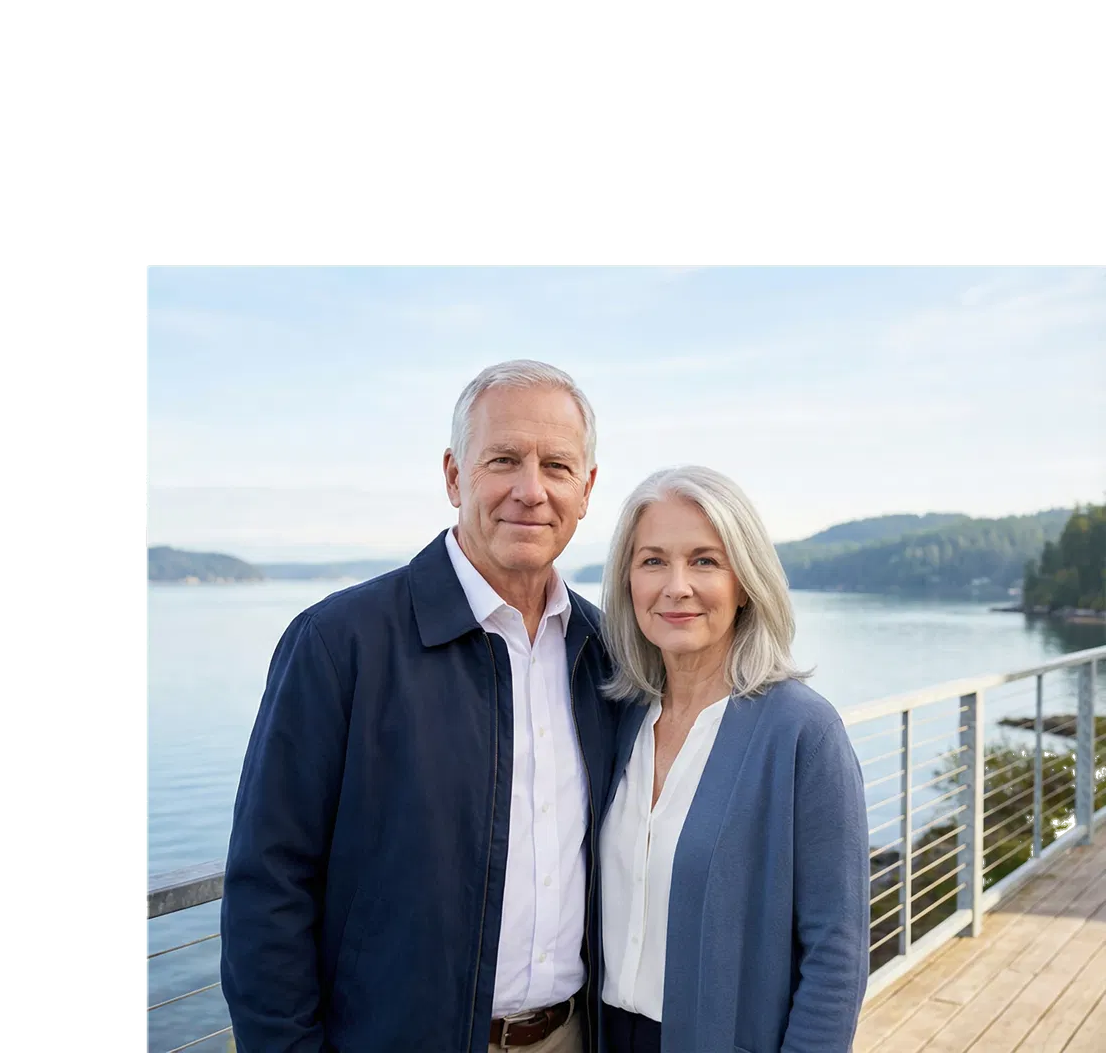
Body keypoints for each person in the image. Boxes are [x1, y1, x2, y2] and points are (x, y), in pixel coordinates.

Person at [220, 360, 620, 1052]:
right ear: (454, 475)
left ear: (585, 490)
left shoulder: (605, 652)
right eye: (503, 459)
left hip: (573, 1037)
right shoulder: (339, 643)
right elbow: (268, 888)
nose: (531, 490)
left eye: (557, 466)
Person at [594, 466, 869, 1052]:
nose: (676, 586)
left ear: (744, 581)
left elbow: (836, 952)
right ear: (627, 582)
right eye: (652, 561)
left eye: (703, 560)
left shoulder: (802, 731)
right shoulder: (619, 721)